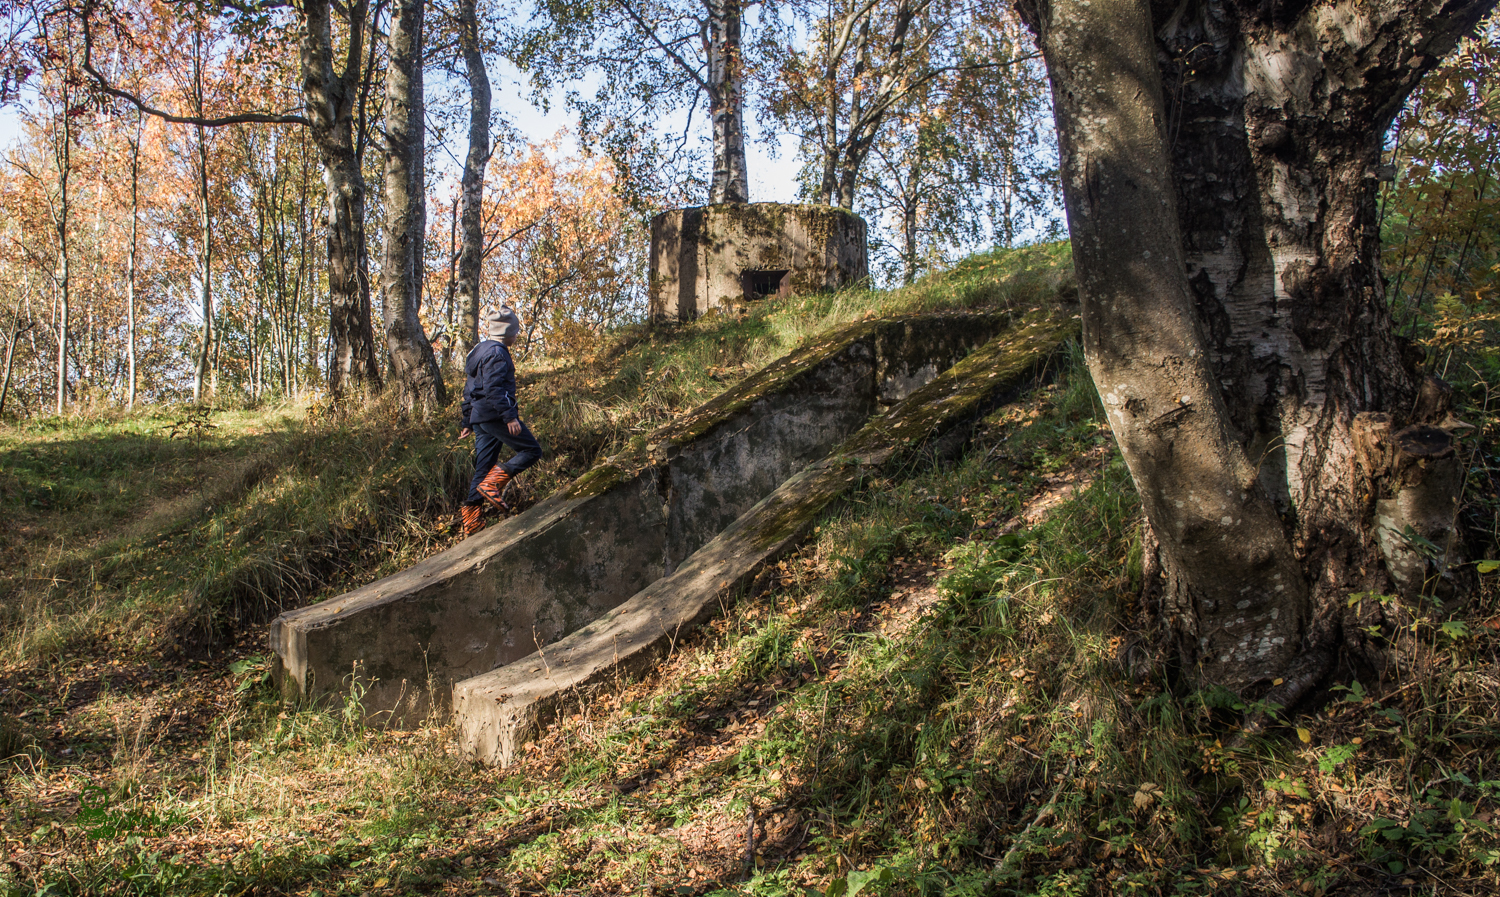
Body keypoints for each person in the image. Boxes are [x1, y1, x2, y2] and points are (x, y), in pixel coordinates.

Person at [457, 305, 544, 536]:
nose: (516, 336)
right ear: (506, 332)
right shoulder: (498, 353)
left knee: (483, 466)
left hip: (480, 417)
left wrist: (467, 420)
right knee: (532, 450)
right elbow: (494, 388)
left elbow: (469, 389)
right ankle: (492, 485)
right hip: (495, 414)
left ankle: (472, 522)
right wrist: (510, 417)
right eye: (515, 332)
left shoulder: (478, 350)